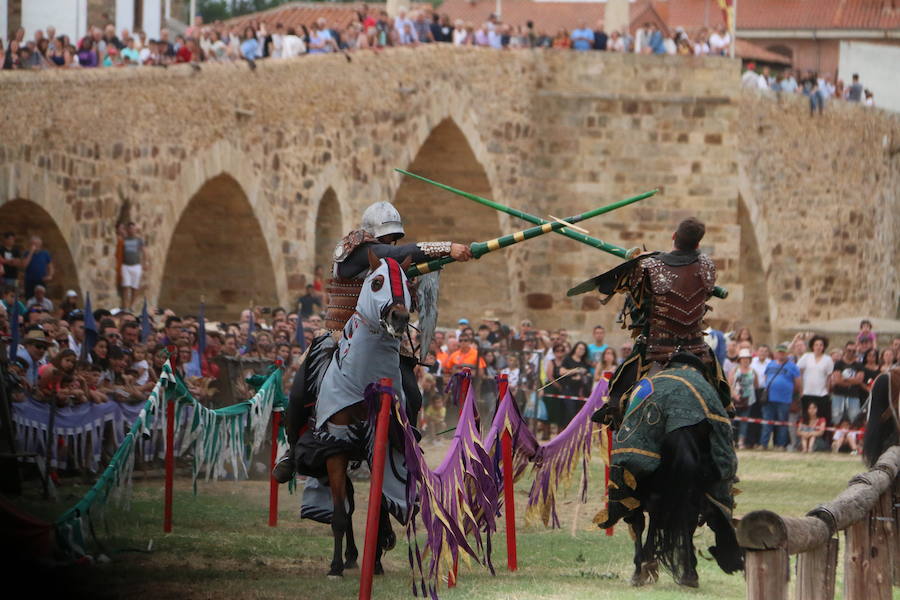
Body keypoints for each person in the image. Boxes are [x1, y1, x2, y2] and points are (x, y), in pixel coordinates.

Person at [276, 201, 473, 482]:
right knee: (300, 393)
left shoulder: (392, 266)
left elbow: (401, 291)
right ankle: (292, 451)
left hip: (384, 337)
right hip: (339, 333)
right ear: (373, 235)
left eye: (395, 237)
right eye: (388, 237)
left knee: (412, 395)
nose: (392, 242)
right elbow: (398, 253)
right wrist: (448, 247)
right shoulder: (358, 251)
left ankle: (405, 451)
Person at [570, 217, 729, 424]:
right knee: (720, 386)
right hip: (695, 346)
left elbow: (610, 288)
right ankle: (725, 408)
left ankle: (612, 409)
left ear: (674, 237)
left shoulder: (648, 266)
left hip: (657, 346)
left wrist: (637, 261)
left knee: (619, 389)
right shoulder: (708, 266)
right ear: (698, 244)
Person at [759, 343, 801, 450]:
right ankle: (763, 444)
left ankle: (781, 445)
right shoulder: (770, 364)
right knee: (767, 422)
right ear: (775, 353)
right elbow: (766, 377)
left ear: (786, 353)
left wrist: (791, 392)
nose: (781, 354)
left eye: (783, 352)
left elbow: (798, 383)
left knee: (782, 423)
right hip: (769, 398)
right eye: (779, 352)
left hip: (785, 399)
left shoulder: (793, 366)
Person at [796, 335, 834, 421]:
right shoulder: (806, 357)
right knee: (806, 418)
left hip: (821, 394)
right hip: (807, 393)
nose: (818, 347)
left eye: (821, 345)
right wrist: (801, 391)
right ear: (812, 346)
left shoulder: (828, 359)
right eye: (816, 345)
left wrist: (827, 392)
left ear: (824, 347)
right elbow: (799, 373)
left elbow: (828, 378)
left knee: (821, 418)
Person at [831, 341, 866, 426]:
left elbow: (859, 380)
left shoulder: (859, 365)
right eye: (849, 350)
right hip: (838, 395)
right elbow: (836, 380)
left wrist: (844, 379)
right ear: (845, 350)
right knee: (836, 419)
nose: (851, 353)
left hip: (853, 396)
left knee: (854, 420)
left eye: (854, 351)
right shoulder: (838, 363)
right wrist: (852, 381)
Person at [729, 348, 758, 449]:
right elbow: (730, 384)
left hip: (748, 400)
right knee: (733, 421)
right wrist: (734, 395)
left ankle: (741, 441)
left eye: (747, 358)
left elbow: (756, 385)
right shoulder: (735, 370)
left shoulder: (753, 371)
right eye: (743, 358)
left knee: (744, 422)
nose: (745, 360)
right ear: (740, 359)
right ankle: (732, 440)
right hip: (735, 399)